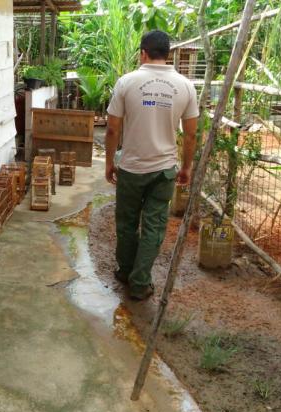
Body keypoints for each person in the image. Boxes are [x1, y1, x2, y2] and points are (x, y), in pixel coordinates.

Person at [105, 30, 199, 300]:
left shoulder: (126, 82)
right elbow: (191, 133)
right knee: (154, 227)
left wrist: (110, 163)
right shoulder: (185, 86)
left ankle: (125, 271)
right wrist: (186, 167)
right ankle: (139, 283)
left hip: (132, 168)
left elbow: (112, 129)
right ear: (167, 53)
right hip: (164, 171)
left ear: (143, 53)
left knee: (126, 223)